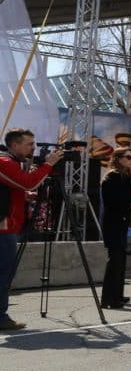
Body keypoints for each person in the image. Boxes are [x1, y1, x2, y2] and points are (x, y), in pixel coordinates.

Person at [0, 128, 64, 330]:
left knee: (4, 272)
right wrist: (48, 165)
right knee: (4, 273)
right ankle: (0, 317)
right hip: (3, 228)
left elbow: (18, 187)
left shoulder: (14, 163)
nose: (33, 147)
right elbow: (28, 182)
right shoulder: (4, 162)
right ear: (15, 145)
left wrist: (25, 195)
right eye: (29, 143)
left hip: (9, 226)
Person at [100, 147, 131, 308]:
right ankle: (108, 299)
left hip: (120, 222)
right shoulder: (113, 176)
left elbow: (126, 198)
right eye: (128, 157)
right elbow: (118, 200)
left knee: (120, 261)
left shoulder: (123, 176)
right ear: (119, 158)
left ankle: (118, 295)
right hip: (113, 223)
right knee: (114, 261)